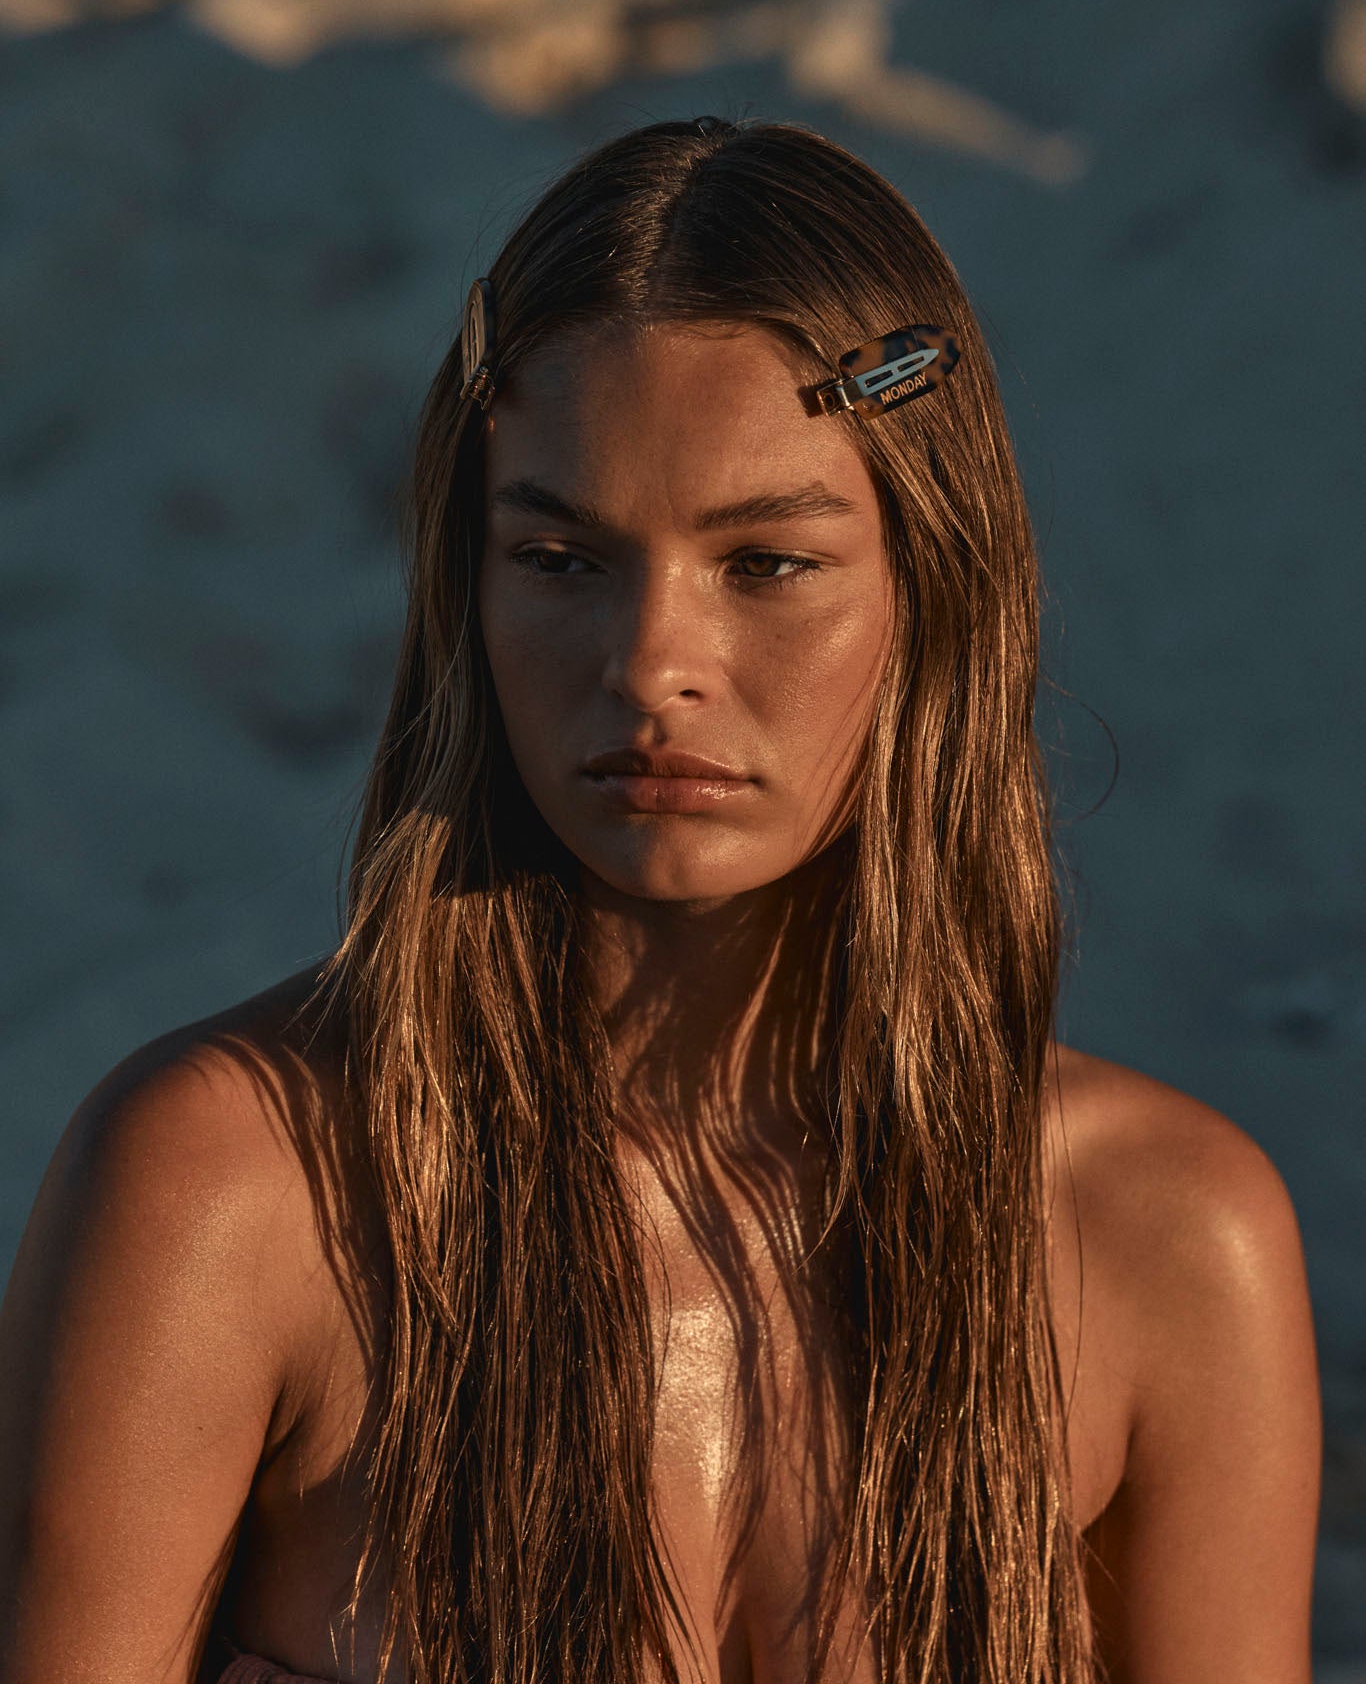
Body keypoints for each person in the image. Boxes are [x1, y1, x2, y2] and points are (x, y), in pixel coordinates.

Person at [0, 116, 1321, 1684]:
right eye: (560, 559)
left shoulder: (1163, 1234)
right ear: (465, 584)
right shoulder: (242, 1187)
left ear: (932, 585)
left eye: (765, 564)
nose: (647, 668)